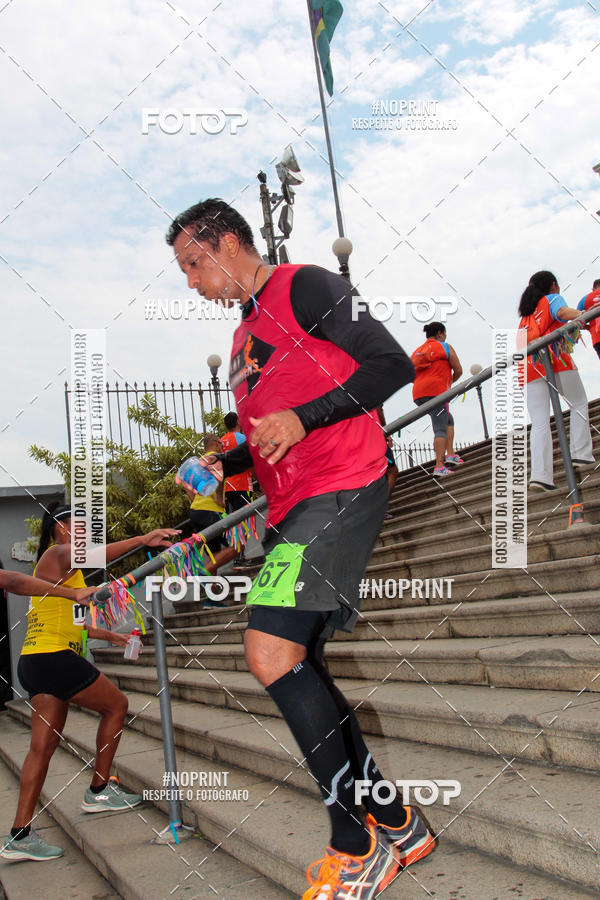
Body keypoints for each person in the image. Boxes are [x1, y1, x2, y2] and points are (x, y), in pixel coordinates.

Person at [167, 199, 435, 900]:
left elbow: (391, 364)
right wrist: (224, 463)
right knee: (297, 661)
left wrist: (305, 416)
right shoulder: (241, 337)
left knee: (269, 652)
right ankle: (395, 819)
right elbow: (270, 435)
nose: (191, 282)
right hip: (292, 507)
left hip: (343, 483)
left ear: (229, 243)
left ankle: (355, 845)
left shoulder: (307, 285)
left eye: (194, 263)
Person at [0, 503, 178, 862]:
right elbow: (90, 556)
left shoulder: (69, 574)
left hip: (36, 661)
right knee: (117, 705)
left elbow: (77, 625)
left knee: (41, 748)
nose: (84, 531)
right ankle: (99, 789)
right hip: (54, 658)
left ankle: (19, 835)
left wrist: (114, 637)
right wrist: (142, 539)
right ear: (59, 527)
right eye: (77, 525)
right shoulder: (57, 554)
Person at [519, 271, 595, 491]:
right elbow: (561, 312)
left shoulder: (526, 315)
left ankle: (540, 476)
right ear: (553, 285)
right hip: (554, 360)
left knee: (539, 422)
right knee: (578, 402)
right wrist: (583, 314)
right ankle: (580, 453)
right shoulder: (552, 298)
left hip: (528, 369)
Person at [181, 434, 238, 579]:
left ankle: (211, 591)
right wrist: (219, 498)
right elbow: (219, 476)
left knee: (214, 555)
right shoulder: (216, 458)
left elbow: (185, 483)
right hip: (211, 511)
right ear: (216, 443)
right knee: (237, 545)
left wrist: (194, 500)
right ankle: (203, 573)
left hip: (196, 512)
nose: (222, 447)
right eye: (221, 444)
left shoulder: (198, 463)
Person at [411, 323, 463, 477]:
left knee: (448, 420)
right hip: (436, 392)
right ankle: (439, 466)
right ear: (440, 333)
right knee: (440, 427)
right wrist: (448, 384)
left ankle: (450, 454)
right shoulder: (444, 347)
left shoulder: (418, 351)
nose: (445, 337)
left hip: (418, 394)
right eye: (444, 334)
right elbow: (458, 370)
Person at [221, 411, 255, 569]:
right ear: (238, 422)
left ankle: (236, 556)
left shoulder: (221, 441)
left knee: (233, 523)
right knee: (244, 522)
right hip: (242, 485)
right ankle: (240, 557)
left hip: (227, 487)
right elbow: (251, 459)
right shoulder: (241, 438)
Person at [577, 278, 600, 360]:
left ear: (593, 289)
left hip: (597, 338)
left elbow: (577, 322)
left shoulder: (585, 299)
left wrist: (589, 327)